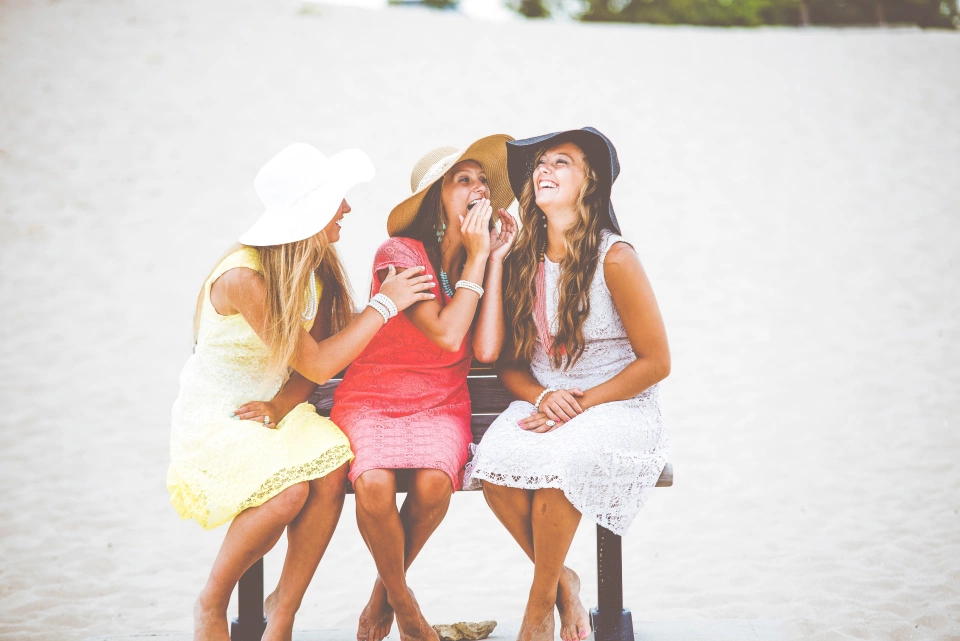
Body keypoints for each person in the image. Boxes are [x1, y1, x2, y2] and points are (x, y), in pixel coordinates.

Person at [167, 143, 436, 641]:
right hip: (221, 416)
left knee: (332, 470)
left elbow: (321, 358)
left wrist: (282, 403)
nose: (348, 209)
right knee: (288, 491)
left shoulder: (316, 265)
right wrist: (383, 305)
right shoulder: (245, 277)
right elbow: (316, 360)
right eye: (338, 200)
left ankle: (283, 615)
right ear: (311, 213)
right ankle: (212, 601)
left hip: (274, 408)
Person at [464, 128, 671, 641]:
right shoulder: (521, 259)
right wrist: (542, 396)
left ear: (590, 184)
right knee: (493, 467)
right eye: (539, 164)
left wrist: (581, 403)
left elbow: (656, 361)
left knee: (564, 466)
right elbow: (509, 365)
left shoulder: (615, 259)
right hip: (549, 399)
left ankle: (537, 610)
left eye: (561, 163)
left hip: (619, 401)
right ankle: (563, 585)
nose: (544, 171)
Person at [330, 135, 517, 641]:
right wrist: (479, 256)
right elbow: (444, 330)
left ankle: (381, 598)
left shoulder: (476, 259)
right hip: (374, 395)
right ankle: (407, 610)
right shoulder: (400, 252)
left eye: (482, 181)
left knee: (436, 483)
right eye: (464, 180)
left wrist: (493, 259)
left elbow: (487, 349)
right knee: (373, 483)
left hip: (441, 399)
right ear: (438, 198)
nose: (478, 189)